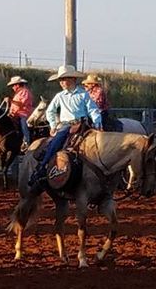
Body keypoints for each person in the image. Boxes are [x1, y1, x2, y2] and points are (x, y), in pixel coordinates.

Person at [29, 65, 102, 193]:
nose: (62, 83)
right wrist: (53, 125)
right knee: (55, 144)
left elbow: (93, 109)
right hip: (66, 125)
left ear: (73, 79)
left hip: (83, 124)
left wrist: (97, 123)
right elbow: (50, 111)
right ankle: (41, 169)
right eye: (60, 80)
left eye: (64, 79)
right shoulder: (60, 96)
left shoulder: (83, 94)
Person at [6, 75, 34, 151]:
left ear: (17, 85)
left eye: (13, 86)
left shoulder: (25, 92)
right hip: (15, 115)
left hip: (24, 114)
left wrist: (11, 101)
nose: (12, 88)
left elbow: (21, 104)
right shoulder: (18, 93)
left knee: (23, 125)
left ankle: (26, 141)